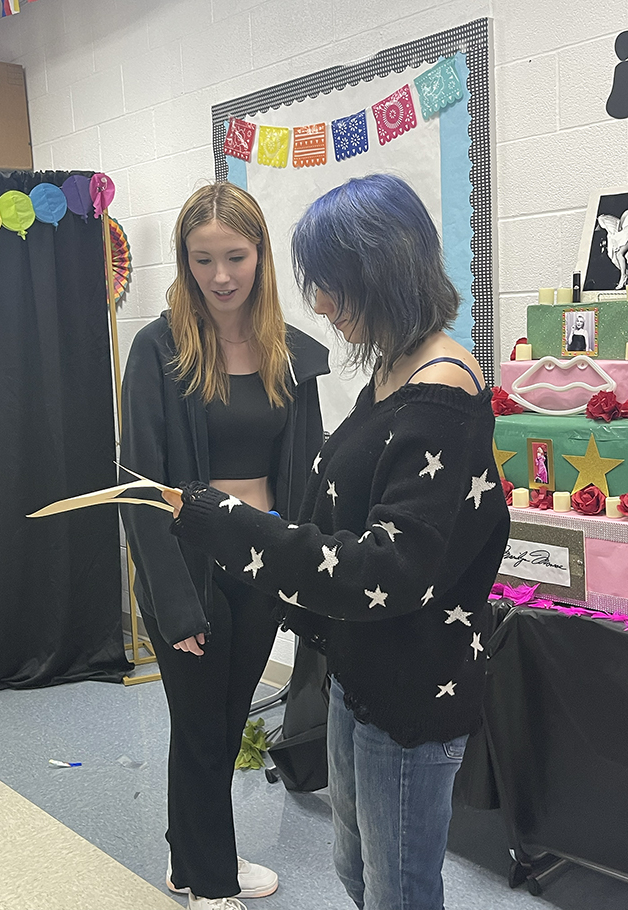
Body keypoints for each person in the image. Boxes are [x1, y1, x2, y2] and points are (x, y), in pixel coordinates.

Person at [163, 174, 511, 910]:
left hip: (412, 681)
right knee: (358, 872)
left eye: (331, 286)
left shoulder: (440, 395)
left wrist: (224, 520)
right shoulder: (389, 370)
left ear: (379, 274)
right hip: (362, 670)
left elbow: (383, 565)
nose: (319, 304)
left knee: (398, 888)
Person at [119, 182, 329, 910]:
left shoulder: (289, 353)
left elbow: (304, 470)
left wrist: (304, 569)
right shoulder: (159, 349)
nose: (219, 276)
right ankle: (210, 884)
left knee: (215, 721)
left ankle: (190, 860)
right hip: (191, 566)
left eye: (234, 256)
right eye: (201, 259)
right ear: (184, 260)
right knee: (207, 729)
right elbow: (139, 486)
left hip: (261, 562)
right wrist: (174, 604)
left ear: (260, 254)